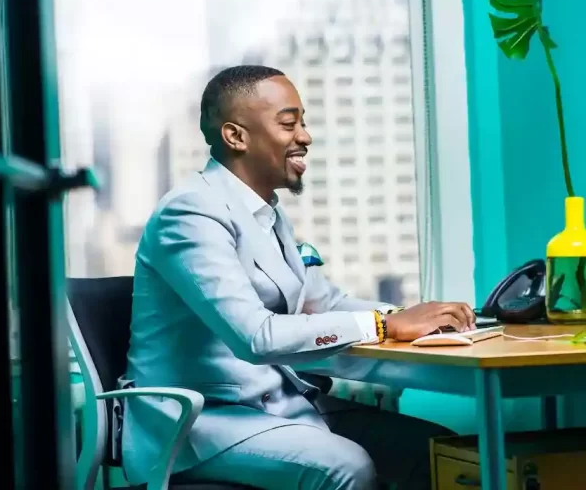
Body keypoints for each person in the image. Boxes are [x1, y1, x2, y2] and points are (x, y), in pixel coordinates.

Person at [122, 65, 476, 490]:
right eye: (289, 123)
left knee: (435, 448)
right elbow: (255, 337)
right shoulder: (189, 213)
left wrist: (409, 316)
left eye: (303, 122)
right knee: (346, 466)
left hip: (279, 406)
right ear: (236, 136)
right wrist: (383, 325)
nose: (305, 136)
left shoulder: (266, 214)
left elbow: (324, 305)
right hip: (201, 423)